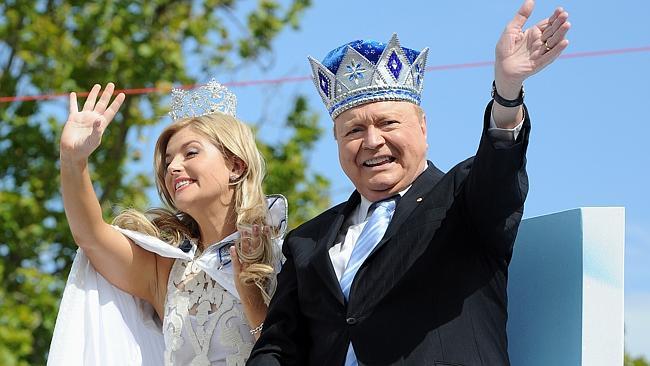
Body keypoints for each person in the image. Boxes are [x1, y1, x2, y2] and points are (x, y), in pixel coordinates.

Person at [248, 1, 570, 365]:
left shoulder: (462, 198)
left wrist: (506, 92)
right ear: (337, 143)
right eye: (353, 130)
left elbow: (499, 167)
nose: (371, 141)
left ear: (422, 128)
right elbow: (279, 348)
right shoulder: (306, 241)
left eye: (388, 124)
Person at [48, 79, 287, 366]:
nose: (173, 167)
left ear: (235, 166)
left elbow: (293, 355)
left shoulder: (283, 257)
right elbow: (91, 237)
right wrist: (73, 160)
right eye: (168, 160)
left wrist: (253, 302)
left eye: (191, 153)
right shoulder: (167, 269)